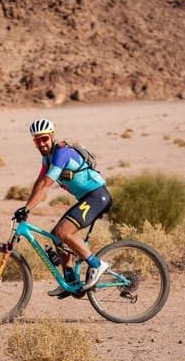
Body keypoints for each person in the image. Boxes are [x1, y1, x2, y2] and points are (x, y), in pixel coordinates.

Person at [14, 118, 113, 298]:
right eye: (37, 140)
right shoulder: (47, 156)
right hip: (87, 198)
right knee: (57, 236)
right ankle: (70, 282)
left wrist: (28, 208)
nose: (41, 144)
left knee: (63, 232)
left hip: (97, 196)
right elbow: (39, 181)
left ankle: (97, 265)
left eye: (44, 139)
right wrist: (25, 207)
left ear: (52, 136)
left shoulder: (61, 153)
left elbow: (47, 183)